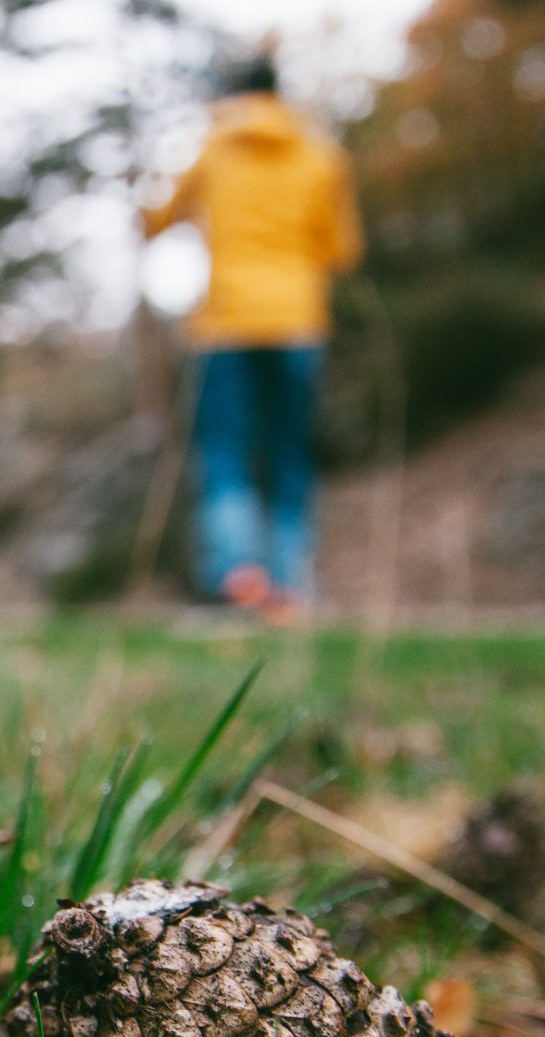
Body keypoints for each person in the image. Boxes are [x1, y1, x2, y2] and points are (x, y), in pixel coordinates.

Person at [142, 55, 362, 621]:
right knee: (290, 454)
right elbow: (342, 249)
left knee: (226, 455)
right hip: (298, 320)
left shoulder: (214, 147)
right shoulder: (320, 154)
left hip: (226, 324)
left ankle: (241, 578)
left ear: (236, 93)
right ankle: (287, 590)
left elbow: (156, 220)